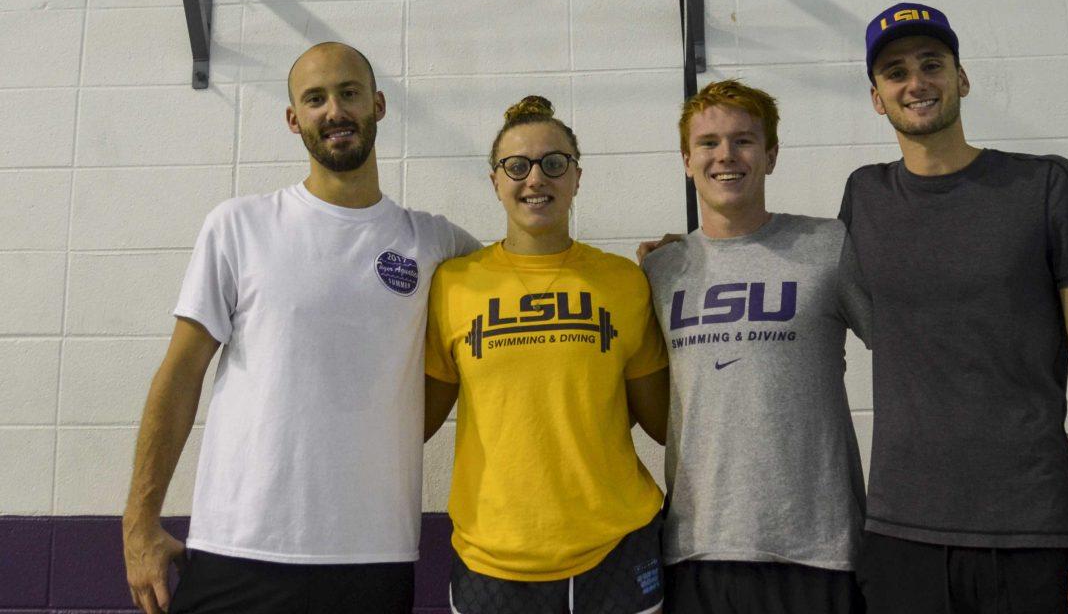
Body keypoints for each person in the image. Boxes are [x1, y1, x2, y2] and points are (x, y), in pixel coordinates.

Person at [122, 42, 478, 614]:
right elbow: (180, 374)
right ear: (294, 119)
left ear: (378, 105)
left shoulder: (434, 243)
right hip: (238, 546)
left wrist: (661, 262)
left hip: (372, 555)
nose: (333, 110)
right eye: (315, 99)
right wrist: (139, 522)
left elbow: (524, 278)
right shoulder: (239, 225)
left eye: (349, 93)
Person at [843, 3, 1068, 614]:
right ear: (877, 98)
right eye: (895, 72)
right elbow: (798, 281)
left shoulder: (1045, 184)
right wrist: (697, 252)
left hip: (1030, 532)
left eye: (931, 64)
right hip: (899, 534)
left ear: (962, 78)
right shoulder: (864, 195)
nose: (915, 82)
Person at [423, 95, 670, 614]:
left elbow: (666, 423)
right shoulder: (453, 285)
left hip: (617, 546)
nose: (535, 178)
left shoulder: (625, 281)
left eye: (553, 163)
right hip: (493, 556)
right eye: (517, 166)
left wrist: (692, 267)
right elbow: (416, 420)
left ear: (576, 177)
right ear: (495, 180)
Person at [640, 79, 871, 614]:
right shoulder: (659, 270)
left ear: (770, 155)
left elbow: (917, 355)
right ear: (685, 158)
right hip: (698, 547)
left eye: (744, 141)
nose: (726, 155)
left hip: (821, 548)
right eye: (709, 142)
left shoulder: (830, 246)